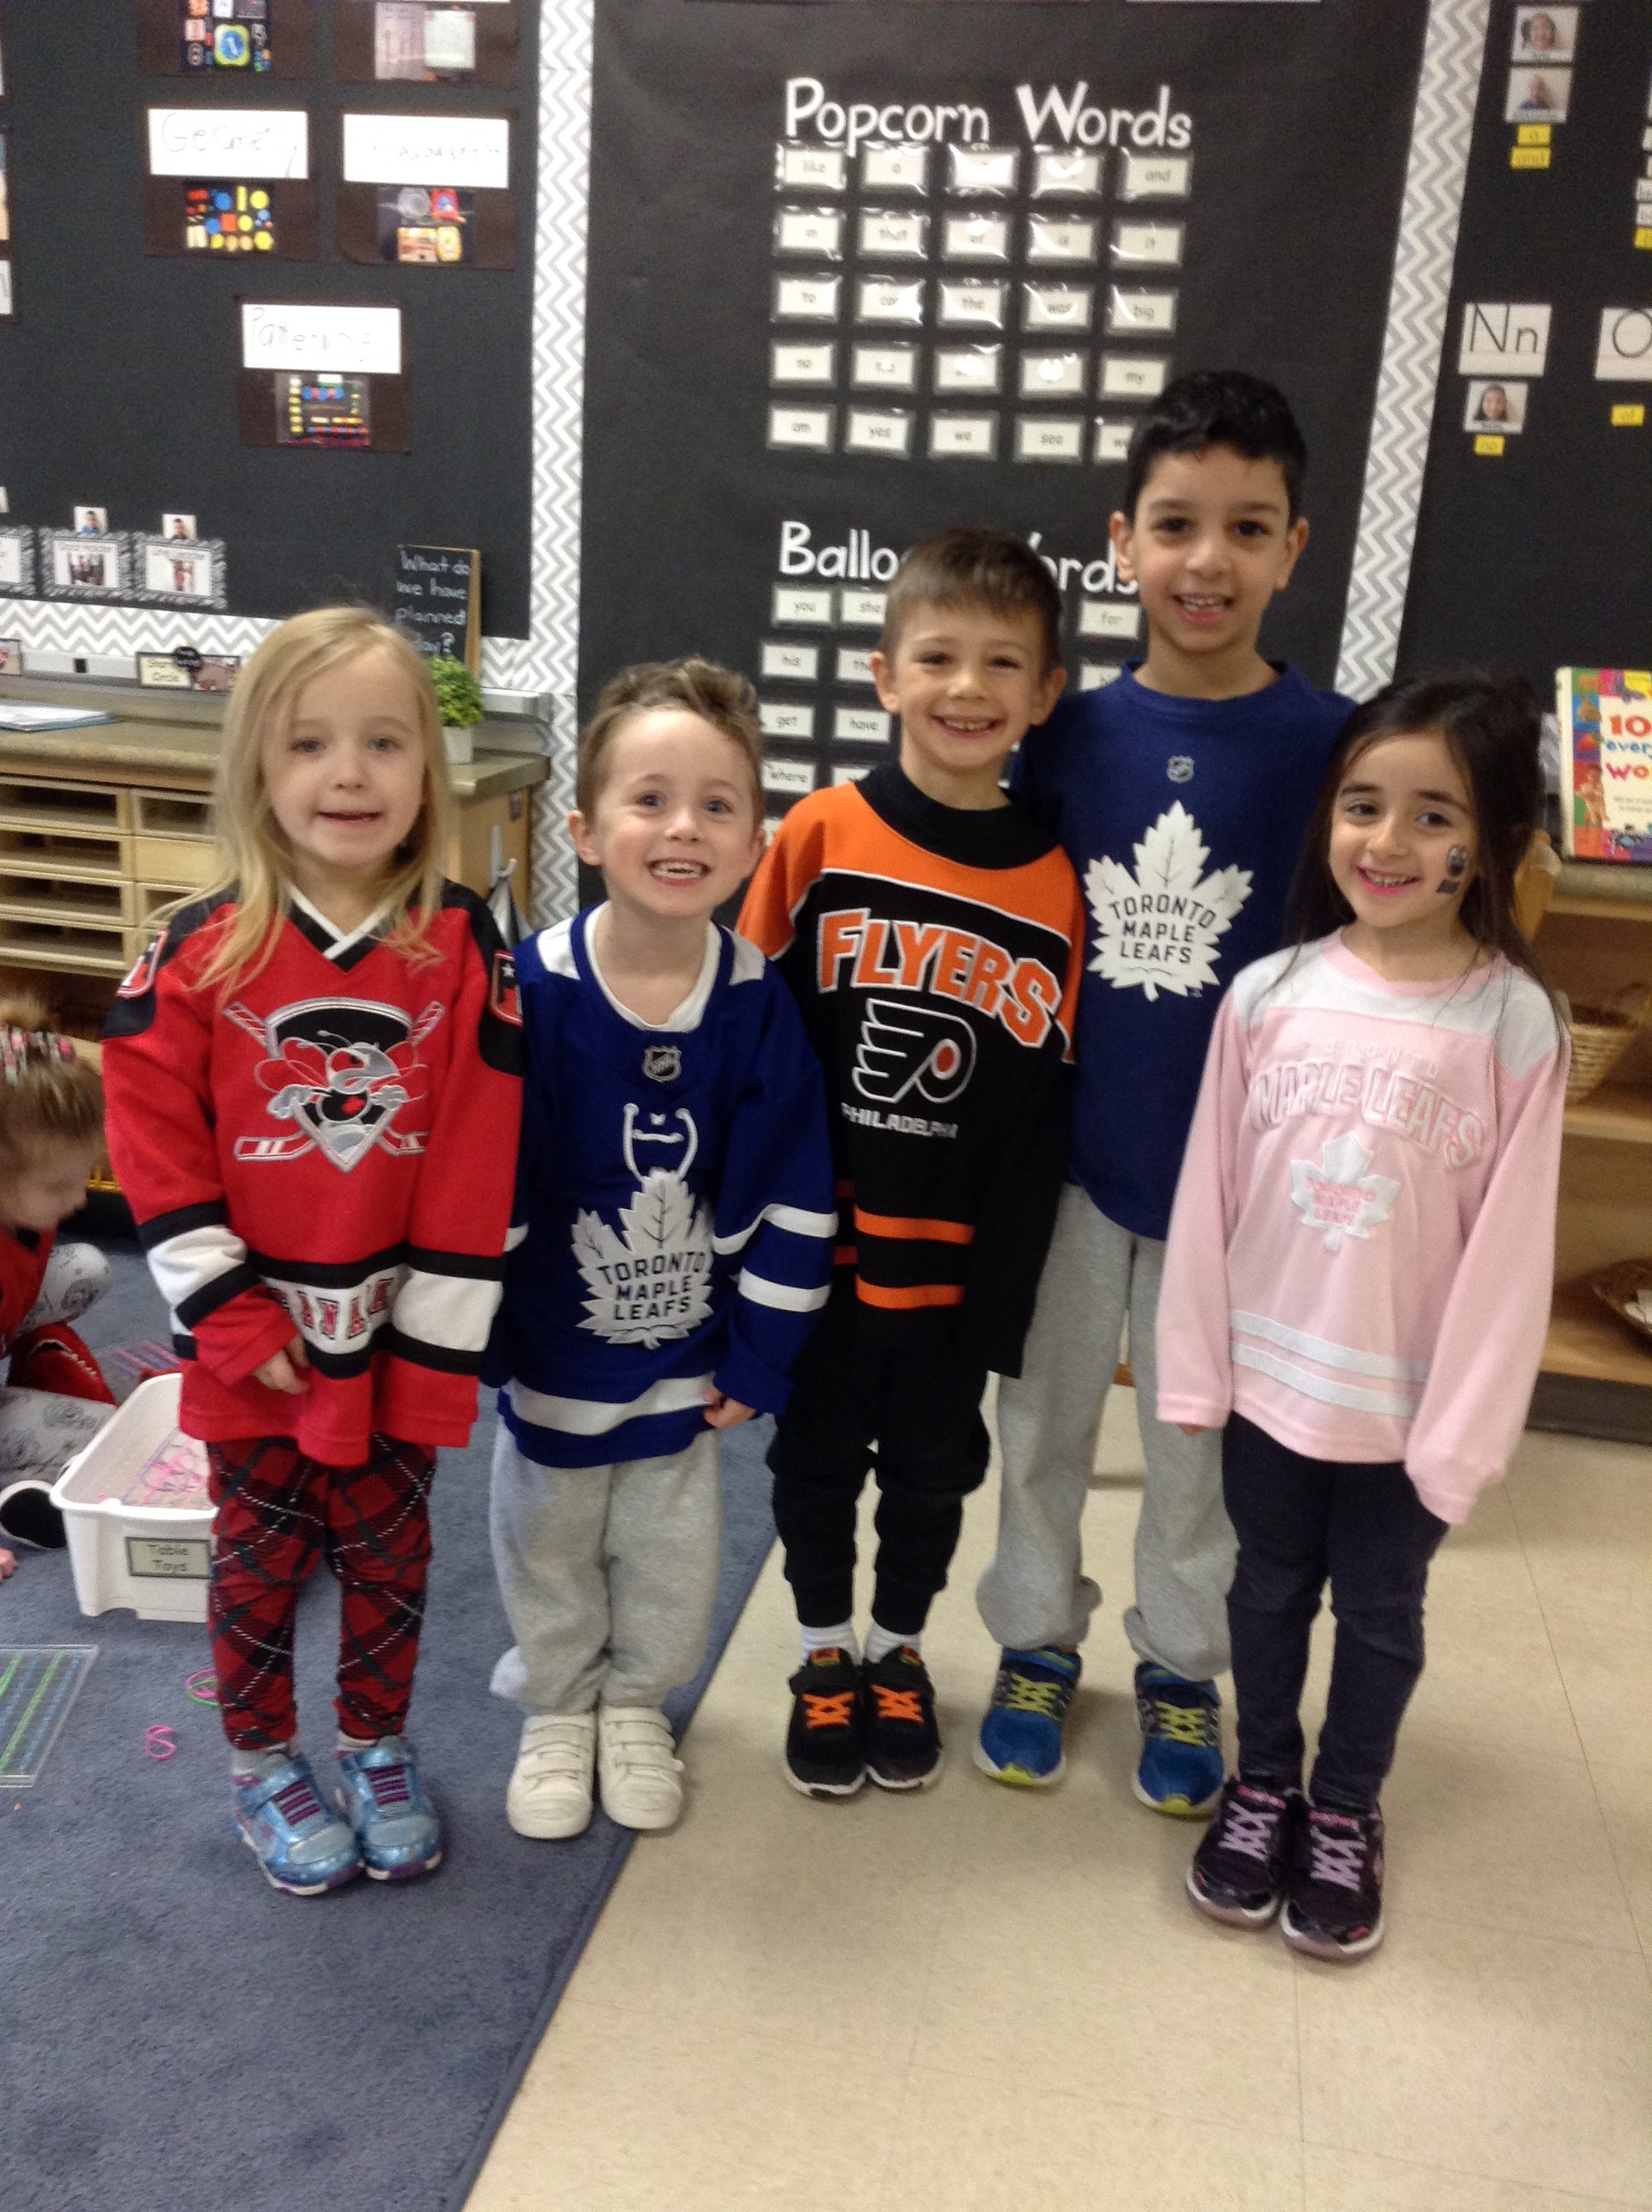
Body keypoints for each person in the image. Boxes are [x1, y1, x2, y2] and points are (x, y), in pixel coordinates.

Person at [974, 371, 1353, 1809]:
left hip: (1233, 1183)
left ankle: (1183, 1668)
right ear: (1121, 542)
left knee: (1194, 1447)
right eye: (1178, 525)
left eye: (1246, 528)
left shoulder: (1336, 749)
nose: (1209, 561)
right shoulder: (1062, 736)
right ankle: (1031, 1638)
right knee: (1046, 1422)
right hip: (1071, 1162)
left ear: (1291, 548)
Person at [102, 606, 522, 1896]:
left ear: (427, 776)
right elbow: (157, 1150)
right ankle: (263, 1762)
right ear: (257, 770)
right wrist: (232, 1317)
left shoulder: (461, 946)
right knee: (259, 1561)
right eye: (312, 744)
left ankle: (375, 1745)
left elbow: (477, 1143)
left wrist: (434, 1342)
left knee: (396, 1562)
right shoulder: (194, 956)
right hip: (257, 1355)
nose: (350, 774)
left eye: (385, 742)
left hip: (397, 1339)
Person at [1160, 673, 1567, 1961]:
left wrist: (1464, 1438)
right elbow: (1207, 1198)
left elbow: (1513, 1253)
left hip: (1407, 1408)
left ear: (1497, 842)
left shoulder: (1514, 1025)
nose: (1386, 844)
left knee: (1382, 1617)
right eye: (1363, 806)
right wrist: (1193, 1372)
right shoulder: (1267, 996)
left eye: (1433, 816)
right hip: (1273, 1386)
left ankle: (1344, 1809)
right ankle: (1264, 1784)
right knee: (1267, 1592)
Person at [741, 526, 1085, 1797]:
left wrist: (1007, 1284)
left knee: (937, 1473)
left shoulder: (1055, 880)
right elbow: (756, 1041)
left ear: (1044, 697)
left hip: (954, 1267)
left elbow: (1045, 1101)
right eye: (936, 656)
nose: (966, 688)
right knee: (815, 1464)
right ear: (884, 673)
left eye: (1003, 663)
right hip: (825, 1247)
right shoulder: (820, 833)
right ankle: (823, 1656)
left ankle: (899, 1652)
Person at [486, 660, 834, 1840]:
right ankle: (558, 1705)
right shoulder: (525, 992)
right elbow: (484, 1194)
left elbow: (797, 1198)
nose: (683, 826)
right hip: (551, 1356)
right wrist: (477, 1341)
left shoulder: (758, 1004)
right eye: (649, 799)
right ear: (585, 829)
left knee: (671, 1554)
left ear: (752, 846)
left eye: (718, 805)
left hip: (689, 1364)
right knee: (549, 1544)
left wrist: (762, 1360)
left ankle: (636, 1703)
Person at [0, 1002, 115, 1575]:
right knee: (103, 1440)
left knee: (87, 1266)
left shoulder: (22, 1212)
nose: (79, 1200)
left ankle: (28, 1365)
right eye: (59, 1185)